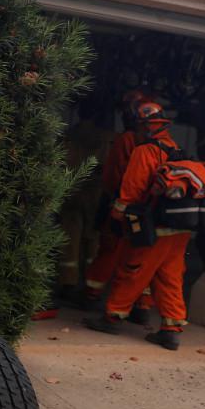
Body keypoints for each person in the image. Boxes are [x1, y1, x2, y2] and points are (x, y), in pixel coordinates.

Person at [84, 100, 191, 350]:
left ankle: (113, 317)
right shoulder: (175, 148)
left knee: (132, 269)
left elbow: (131, 188)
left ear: (143, 125)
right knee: (170, 276)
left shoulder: (146, 150)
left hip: (153, 225)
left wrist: (117, 216)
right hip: (178, 227)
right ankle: (171, 329)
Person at [72, 90, 155, 322]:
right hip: (148, 212)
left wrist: (111, 199)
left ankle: (91, 295)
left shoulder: (127, 140)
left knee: (109, 250)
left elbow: (113, 175)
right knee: (141, 257)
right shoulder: (163, 144)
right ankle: (143, 306)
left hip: (122, 206)